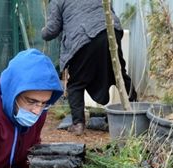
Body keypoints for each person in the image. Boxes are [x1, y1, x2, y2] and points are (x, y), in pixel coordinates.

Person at [42, 0, 137, 136]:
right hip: (111, 32)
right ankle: (134, 110)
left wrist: (43, 32)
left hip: (84, 37)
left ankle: (78, 124)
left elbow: (51, 30)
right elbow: (109, 11)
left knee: (76, 84)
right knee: (119, 75)